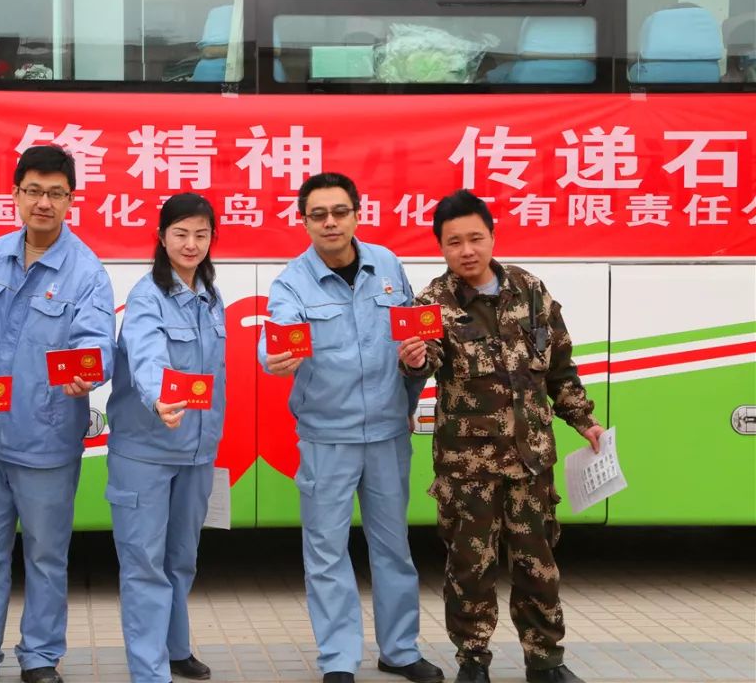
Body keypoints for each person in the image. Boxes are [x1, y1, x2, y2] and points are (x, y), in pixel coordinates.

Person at [398, 190, 604, 683]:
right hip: (467, 469)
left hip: (531, 462)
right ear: (440, 247)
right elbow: (426, 358)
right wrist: (415, 360)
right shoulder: (432, 303)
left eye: (475, 238)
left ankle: (546, 661)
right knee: (469, 569)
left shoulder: (530, 290)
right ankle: (473, 662)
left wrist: (583, 420)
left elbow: (560, 366)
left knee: (538, 565)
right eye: (454, 242)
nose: (466, 250)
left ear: (492, 236)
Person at [0, 146, 117, 683]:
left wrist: (91, 371)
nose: (43, 202)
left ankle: (40, 658)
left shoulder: (87, 271)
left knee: (45, 557)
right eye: (33, 191)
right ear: (15, 195)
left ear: (71, 200)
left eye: (56, 193)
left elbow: (97, 343)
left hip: (47, 440)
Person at [258, 172, 443, 683]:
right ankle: (339, 660)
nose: (330, 222)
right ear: (304, 222)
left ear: (357, 214)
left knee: (394, 548)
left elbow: (413, 340)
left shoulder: (387, 266)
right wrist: (275, 356)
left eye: (340, 211)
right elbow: (276, 335)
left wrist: (412, 382)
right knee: (326, 553)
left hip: (387, 435)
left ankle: (399, 650)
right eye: (318, 214)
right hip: (327, 438)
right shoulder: (291, 282)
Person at [105, 193, 226, 683]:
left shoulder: (210, 296)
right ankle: (149, 670)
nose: (191, 244)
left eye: (201, 234)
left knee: (181, 560)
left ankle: (175, 649)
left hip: (196, 453)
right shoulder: (147, 296)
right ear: (161, 237)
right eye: (181, 234)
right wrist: (159, 398)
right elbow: (146, 354)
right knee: (144, 564)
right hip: (147, 453)